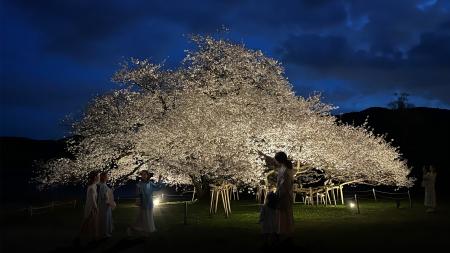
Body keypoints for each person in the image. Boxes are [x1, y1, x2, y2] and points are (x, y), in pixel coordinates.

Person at [127, 170, 164, 236]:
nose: (144, 176)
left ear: (147, 175)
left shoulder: (150, 183)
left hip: (149, 202)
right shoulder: (139, 184)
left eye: (145, 174)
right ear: (141, 176)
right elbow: (137, 194)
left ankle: (147, 228)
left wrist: (159, 179)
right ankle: (144, 228)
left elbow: (157, 187)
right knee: (143, 216)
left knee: (148, 216)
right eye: (142, 175)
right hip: (143, 202)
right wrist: (139, 200)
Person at [77, 171, 100, 245]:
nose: (99, 177)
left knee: (89, 222)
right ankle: (90, 238)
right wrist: (96, 207)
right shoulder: (92, 187)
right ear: (95, 177)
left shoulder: (94, 186)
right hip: (91, 207)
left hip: (91, 206)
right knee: (88, 222)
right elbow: (93, 199)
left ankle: (90, 237)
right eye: (98, 176)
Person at [97, 172, 115, 239]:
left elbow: (106, 193)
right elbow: (104, 196)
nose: (108, 177)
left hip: (105, 204)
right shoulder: (103, 186)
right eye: (107, 176)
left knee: (105, 218)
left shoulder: (103, 185)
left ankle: (104, 232)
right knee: (105, 218)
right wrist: (109, 202)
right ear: (104, 177)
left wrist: (110, 191)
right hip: (104, 205)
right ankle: (104, 233)